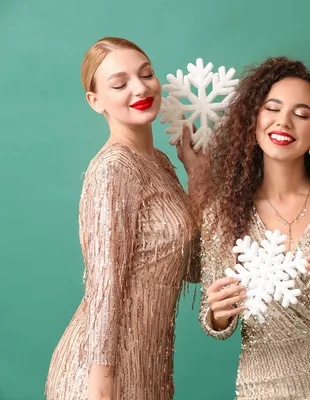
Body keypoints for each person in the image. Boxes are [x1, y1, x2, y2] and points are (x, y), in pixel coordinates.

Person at [183, 57, 310, 399]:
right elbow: (214, 323)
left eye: (301, 114)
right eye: (272, 109)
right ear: (253, 120)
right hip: (262, 384)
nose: (284, 122)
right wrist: (217, 313)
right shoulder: (223, 214)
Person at [45, 37, 200, 400]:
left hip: (150, 366)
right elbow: (104, 286)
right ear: (95, 100)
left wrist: (197, 176)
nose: (140, 87)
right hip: (101, 373)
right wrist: (100, 387)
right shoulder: (112, 170)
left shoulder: (160, 163)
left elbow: (191, 267)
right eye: (120, 83)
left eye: (146, 74)